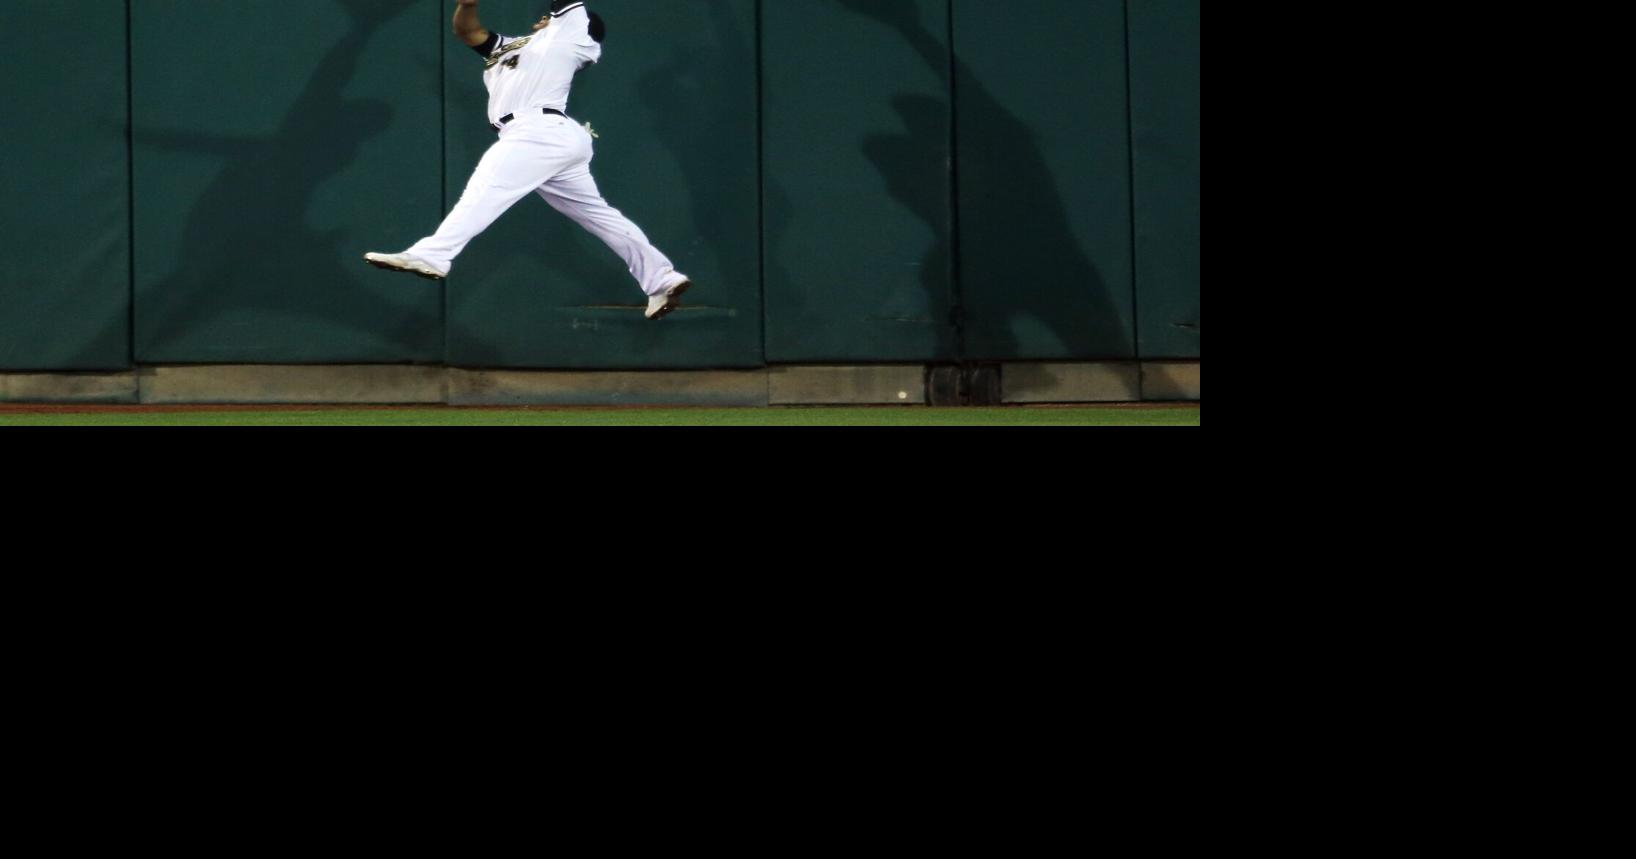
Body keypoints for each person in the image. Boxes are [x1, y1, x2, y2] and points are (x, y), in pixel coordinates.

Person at [365, 0, 693, 320]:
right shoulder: (521, 46)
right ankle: (662, 279)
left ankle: (432, 255)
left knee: (485, 189)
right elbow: (469, 32)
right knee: (600, 216)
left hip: (537, 130)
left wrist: (561, 16)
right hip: (552, 136)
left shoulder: (575, 32)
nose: (544, 16)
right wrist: (467, 6)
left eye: (553, 15)